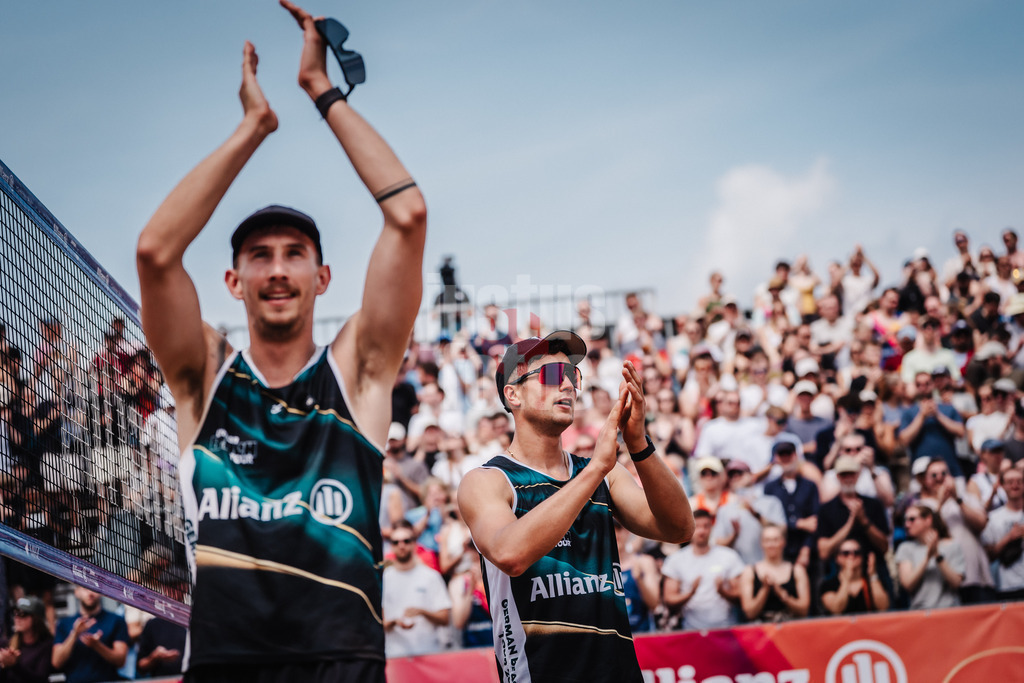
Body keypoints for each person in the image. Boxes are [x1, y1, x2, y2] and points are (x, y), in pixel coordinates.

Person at [135, 2, 427, 680]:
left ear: (323, 276)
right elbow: (155, 253)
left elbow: (407, 215)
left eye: (294, 253)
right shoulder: (202, 378)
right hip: (226, 662)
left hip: (343, 661)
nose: (276, 269)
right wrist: (252, 127)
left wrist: (319, 91)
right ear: (234, 280)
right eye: (259, 256)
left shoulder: (358, 374)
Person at [458, 331, 693, 683]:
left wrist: (638, 443)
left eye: (572, 376)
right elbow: (510, 553)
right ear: (513, 393)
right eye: (552, 376)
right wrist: (598, 467)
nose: (567, 386)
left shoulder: (600, 472)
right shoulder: (487, 480)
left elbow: (679, 529)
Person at [662, 509, 744, 631]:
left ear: (712, 528)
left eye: (706, 526)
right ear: (690, 528)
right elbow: (669, 599)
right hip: (690, 631)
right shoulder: (675, 560)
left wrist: (723, 592)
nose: (702, 531)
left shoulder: (729, 556)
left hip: (727, 630)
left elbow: (741, 595)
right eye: (697, 526)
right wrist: (690, 593)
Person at [382, 521, 452, 658]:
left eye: (406, 541)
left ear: (414, 543)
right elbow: (379, 622)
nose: (401, 545)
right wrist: (395, 622)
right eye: (396, 542)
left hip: (428, 653)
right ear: (391, 546)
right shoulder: (384, 578)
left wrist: (422, 612)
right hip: (394, 655)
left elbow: (445, 618)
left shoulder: (431, 576)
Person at [52, 586, 129, 683]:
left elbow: (121, 661)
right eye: (85, 588)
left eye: (94, 588)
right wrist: (74, 634)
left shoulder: (116, 620)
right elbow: (56, 662)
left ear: (101, 591)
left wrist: (97, 646)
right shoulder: (64, 623)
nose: (90, 593)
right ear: (77, 592)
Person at [895, 503, 965, 609]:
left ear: (928, 520)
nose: (907, 524)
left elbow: (956, 583)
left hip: (949, 612)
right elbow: (908, 585)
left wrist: (937, 555)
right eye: (905, 520)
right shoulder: (905, 548)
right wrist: (927, 558)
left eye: (912, 519)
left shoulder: (952, 545)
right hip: (920, 614)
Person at [738, 525, 810, 623]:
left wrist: (781, 593)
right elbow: (749, 613)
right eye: (767, 540)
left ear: (783, 542)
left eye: (775, 540)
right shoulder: (749, 571)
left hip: (791, 630)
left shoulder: (797, 570)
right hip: (761, 633)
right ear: (761, 543)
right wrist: (765, 590)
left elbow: (804, 610)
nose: (771, 544)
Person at [980, 468, 1024, 600]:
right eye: (1010, 482)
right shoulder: (993, 518)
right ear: (1002, 485)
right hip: (1006, 586)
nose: (1015, 485)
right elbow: (989, 555)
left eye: (1019, 481)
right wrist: (1008, 538)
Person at [820, 539, 889, 615]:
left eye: (857, 553)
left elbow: (883, 607)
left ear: (862, 557)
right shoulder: (828, 585)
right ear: (837, 558)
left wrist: (873, 575)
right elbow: (836, 609)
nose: (851, 556)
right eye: (846, 553)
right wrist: (846, 580)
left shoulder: (873, 582)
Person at [0, 595, 53, 683]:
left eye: (22, 614)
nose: (17, 618)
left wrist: (14, 665)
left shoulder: (46, 645)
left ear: (36, 618)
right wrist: (3, 664)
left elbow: (40, 679)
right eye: (15, 613)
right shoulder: (6, 644)